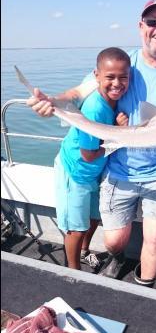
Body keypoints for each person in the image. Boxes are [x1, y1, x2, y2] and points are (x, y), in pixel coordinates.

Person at [27, 0, 156, 286]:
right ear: (141, 25)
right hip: (119, 165)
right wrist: (51, 102)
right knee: (114, 241)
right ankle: (117, 257)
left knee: (155, 236)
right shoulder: (121, 63)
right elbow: (79, 93)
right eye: (153, 21)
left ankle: (146, 290)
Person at [51, 47, 130, 270]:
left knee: (94, 216)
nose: (117, 83)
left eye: (123, 77)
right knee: (76, 227)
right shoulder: (95, 108)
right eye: (110, 77)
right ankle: (74, 271)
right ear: (96, 76)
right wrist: (117, 136)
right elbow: (88, 155)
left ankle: (84, 252)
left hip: (94, 171)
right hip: (75, 170)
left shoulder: (113, 100)